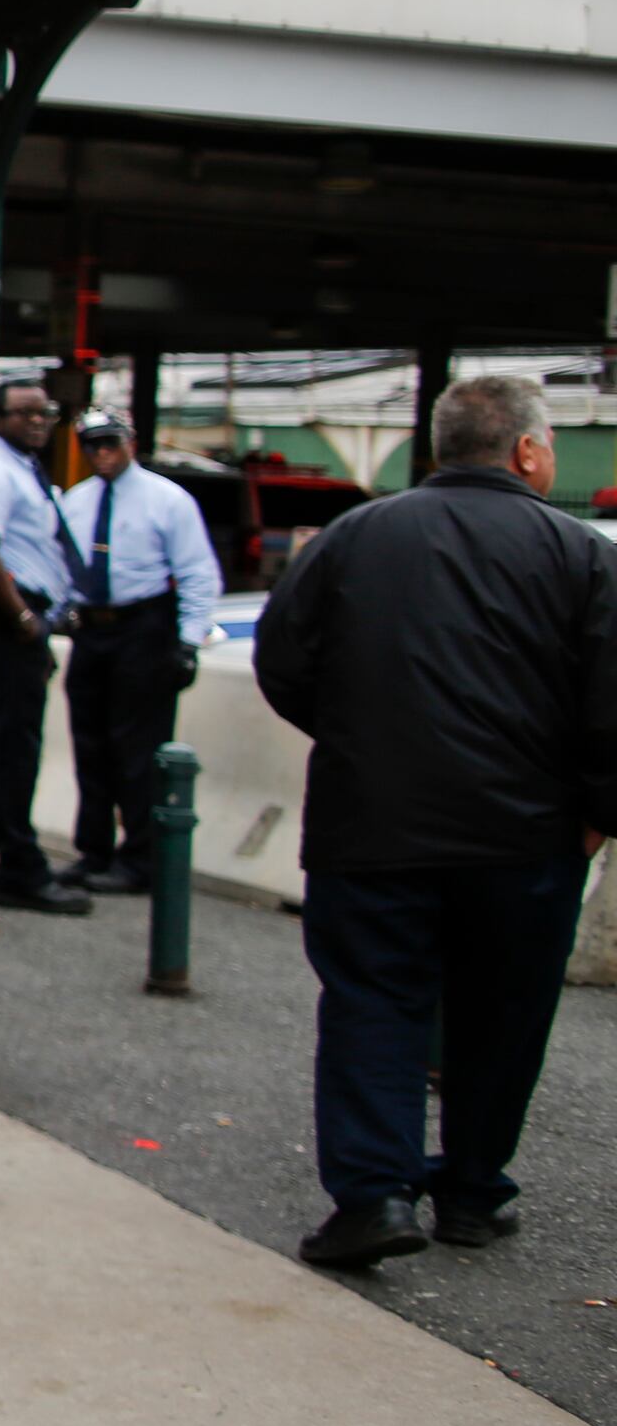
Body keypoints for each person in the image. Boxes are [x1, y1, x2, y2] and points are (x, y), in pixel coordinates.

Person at [251, 373, 617, 1270]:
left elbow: (282, 662)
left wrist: (358, 740)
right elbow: (613, 702)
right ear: (528, 452)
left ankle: (373, 1197)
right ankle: (470, 1191)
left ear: (438, 449)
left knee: (375, 1001)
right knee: (505, 1011)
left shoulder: (352, 537)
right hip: (526, 836)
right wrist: (598, 816)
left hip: (370, 827)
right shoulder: (582, 553)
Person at [50, 410, 221, 894]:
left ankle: (140, 857)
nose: (102, 453)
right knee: (90, 742)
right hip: (93, 627)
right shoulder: (75, 502)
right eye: (92, 445)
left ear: (131, 442)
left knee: (138, 749)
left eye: (110, 443)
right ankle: (94, 849)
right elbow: (65, 567)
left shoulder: (168, 501)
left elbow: (196, 573)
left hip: (143, 627)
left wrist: (188, 640)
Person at [0, 380, 91, 915]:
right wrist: (23, 617)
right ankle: (18, 866)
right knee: (12, 749)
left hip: (29, 623)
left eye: (45, 411)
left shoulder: (26, 470)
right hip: (9, 625)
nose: (38, 420)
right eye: (23, 412)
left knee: (13, 745)